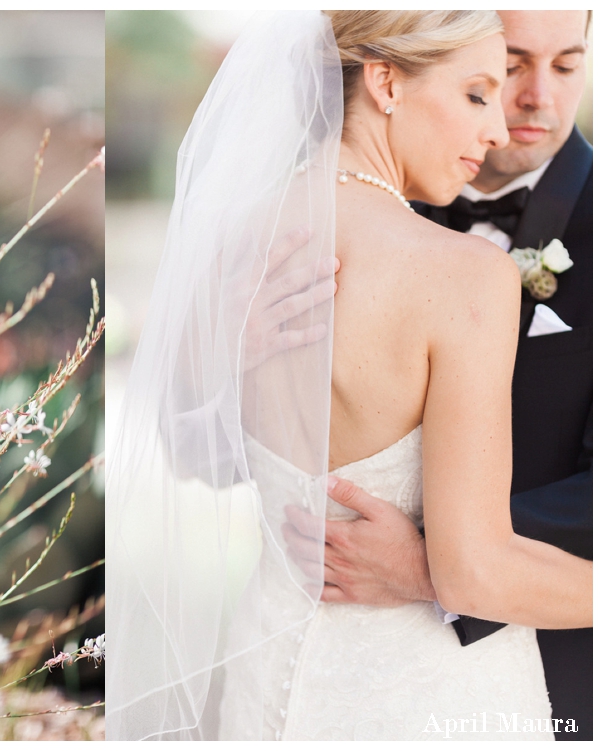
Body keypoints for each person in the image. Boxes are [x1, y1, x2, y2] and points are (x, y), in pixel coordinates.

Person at [105, 11, 592, 741]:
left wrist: (220, 365)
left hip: (263, 674)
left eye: (562, 66)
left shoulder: (235, 235)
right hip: (430, 696)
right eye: (476, 93)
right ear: (386, 81)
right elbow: (474, 573)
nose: (496, 126)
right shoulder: (464, 275)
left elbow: (191, 445)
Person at [282, 10, 593, 740]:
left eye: (568, 65)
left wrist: (428, 563)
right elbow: (196, 451)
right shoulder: (450, 262)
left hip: (283, 666)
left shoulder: (252, 226)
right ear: (389, 78)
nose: (532, 102)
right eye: (497, 75)